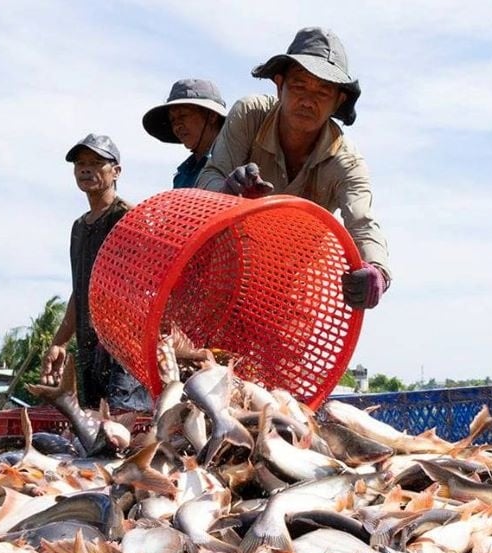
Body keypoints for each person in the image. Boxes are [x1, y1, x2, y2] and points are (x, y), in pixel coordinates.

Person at [197, 27, 390, 309]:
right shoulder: (250, 115)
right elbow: (209, 176)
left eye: (323, 91)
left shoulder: (347, 161)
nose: (308, 101)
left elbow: (362, 222)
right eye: (299, 85)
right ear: (279, 85)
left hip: (290, 288)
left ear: (339, 101)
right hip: (224, 270)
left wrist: (378, 272)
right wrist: (226, 193)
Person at [42, 133, 151, 412]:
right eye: (80, 164)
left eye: (95, 162)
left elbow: (149, 285)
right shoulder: (79, 228)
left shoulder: (129, 218)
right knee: (93, 428)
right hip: (89, 351)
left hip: (123, 352)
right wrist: (59, 342)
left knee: (123, 427)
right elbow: (81, 291)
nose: (86, 169)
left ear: (116, 171)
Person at [143, 79, 228, 189]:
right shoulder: (182, 175)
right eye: (172, 120)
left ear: (211, 116)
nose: (176, 126)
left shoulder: (234, 161)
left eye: (182, 116)